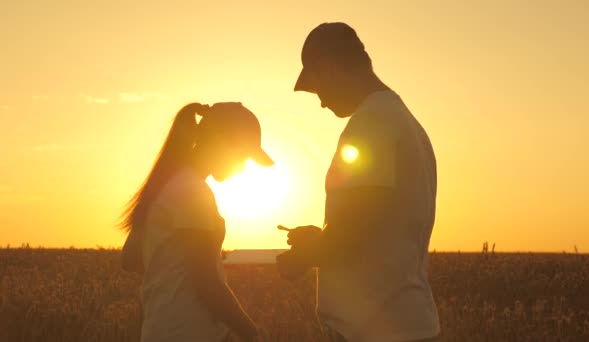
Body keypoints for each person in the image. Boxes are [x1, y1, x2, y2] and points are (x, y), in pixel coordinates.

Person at [276, 22, 441, 341]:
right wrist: (322, 235)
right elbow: (376, 220)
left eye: (318, 89)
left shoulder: (371, 123)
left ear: (328, 68)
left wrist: (306, 256)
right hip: (406, 320)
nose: (322, 102)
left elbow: (356, 229)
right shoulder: (403, 120)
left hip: (375, 327)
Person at [119, 102, 273, 342]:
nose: (243, 168)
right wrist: (252, 334)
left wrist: (187, 256)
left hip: (160, 328)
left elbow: (130, 258)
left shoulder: (167, 185)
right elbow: (205, 281)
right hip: (189, 331)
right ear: (222, 142)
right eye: (243, 156)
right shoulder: (193, 191)